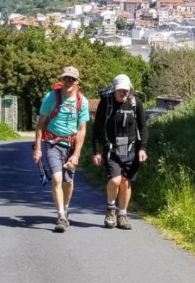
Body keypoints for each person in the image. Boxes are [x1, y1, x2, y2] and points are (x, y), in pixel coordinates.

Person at [33, 66, 91, 233]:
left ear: (77, 82)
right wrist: (37, 149)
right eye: (66, 78)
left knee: (68, 181)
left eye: (72, 79)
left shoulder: (82, 101)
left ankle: (65, 208)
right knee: (57, 179)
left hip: (71, 146)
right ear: (61, 79)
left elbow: (82, 130)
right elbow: (40, 125)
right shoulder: (51, 97)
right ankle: (61, 216)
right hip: (52, 143)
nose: (68, 82)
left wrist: (77, 154)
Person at [92, 73, 148, 229]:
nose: (123, 93)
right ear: (114, 90)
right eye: (120, 90)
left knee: (125, 181)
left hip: (130, 147)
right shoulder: (106, 103)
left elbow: (143, 127)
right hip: (111, 147)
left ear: (130, 90)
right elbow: (97, 129)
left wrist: (142, 148)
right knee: (115, 180)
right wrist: (96, 151)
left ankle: (122, 215)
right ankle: (111, 209)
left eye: (126, 90)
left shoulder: (136, 103)